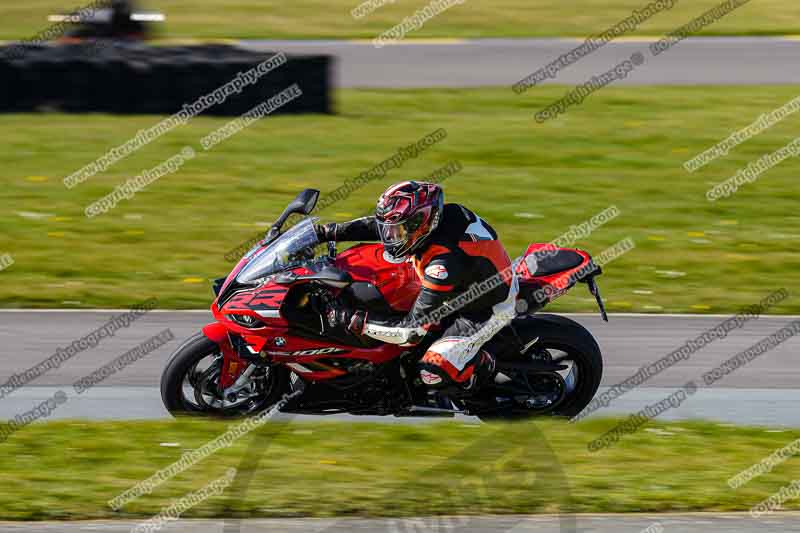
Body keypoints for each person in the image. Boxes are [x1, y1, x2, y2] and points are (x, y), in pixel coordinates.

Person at [315, 181, 519, 392]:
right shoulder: (436, 220)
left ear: (420, 224)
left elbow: (411, 332)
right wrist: (326, 232)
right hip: (460, 287)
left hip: (483, 311)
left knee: (431, 372)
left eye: (397, 231)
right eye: (390, 230)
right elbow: (378, 226)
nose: (390, 237)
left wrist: (357, 321)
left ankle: (483, 366)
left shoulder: (442, 263)